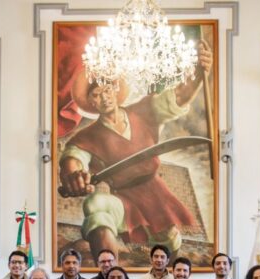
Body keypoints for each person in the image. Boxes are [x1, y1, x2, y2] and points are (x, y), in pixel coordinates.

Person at [57, 42, 213, 259]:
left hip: (155, 194)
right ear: (91, 101)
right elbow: (73, 158)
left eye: (107, 90)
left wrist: (198, 72)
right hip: (122, 198)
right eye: (97, 94)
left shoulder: (144, 110)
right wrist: (74, 176)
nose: (104, 97)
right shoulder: (86, 136)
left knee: (168, 241)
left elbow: (177, 97)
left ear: (115, 90)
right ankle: (108, 272)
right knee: (96, 205)